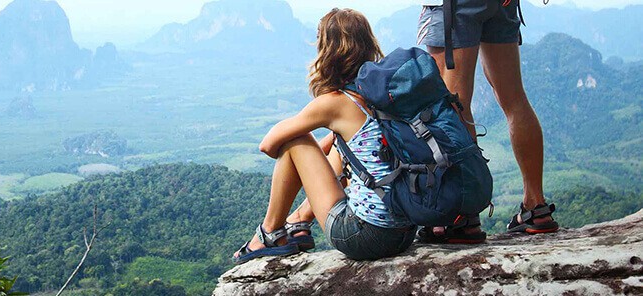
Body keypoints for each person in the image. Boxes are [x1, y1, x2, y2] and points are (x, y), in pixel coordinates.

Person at [231, 8, 417, 263]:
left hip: (364, 236)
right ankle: (298, 221)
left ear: (329, 50)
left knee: (297, 139)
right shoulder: (382, 95)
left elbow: (269, 145)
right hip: (404, 232)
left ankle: (270, 232)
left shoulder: (336, 102)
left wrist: (302, 152)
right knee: (337, 143)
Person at [414, 0, 557, 243]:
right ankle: (536, 207)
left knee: (454, 103)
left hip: (454, 5)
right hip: (501, 3)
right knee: (514, 98)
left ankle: (463, 216)